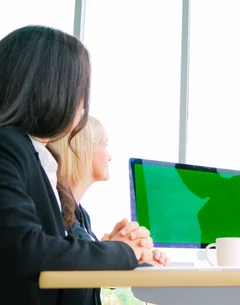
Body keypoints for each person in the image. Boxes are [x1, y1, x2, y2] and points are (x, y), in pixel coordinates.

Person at [0, 25, 153, 305]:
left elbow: (50, 264)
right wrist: (121, 252)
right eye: (80, 91)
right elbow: (24, 250)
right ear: (51, 89)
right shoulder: (8, 147)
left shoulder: (38, 157)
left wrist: (105, 249)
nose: (82, 107)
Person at [51, 116, 170, 304]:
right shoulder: (55, 211)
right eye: (104, 145)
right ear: (82, 150)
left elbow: (88, 270)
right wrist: (113, 251)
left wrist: (132, 257)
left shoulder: (81, 215)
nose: (109, 156)